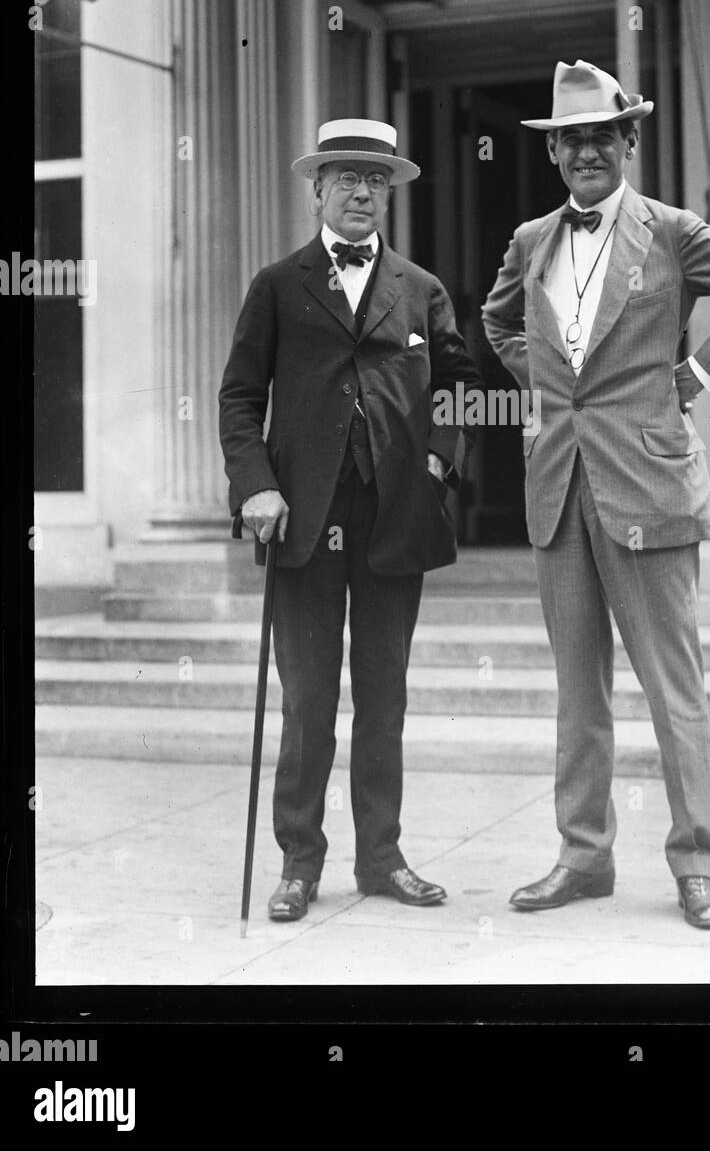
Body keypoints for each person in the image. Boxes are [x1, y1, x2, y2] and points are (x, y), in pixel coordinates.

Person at [481, 62, 710, 927]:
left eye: (602, 135)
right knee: (577, 691)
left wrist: (695, 376)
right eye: (571, 140)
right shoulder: (530, 239)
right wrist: (547, 384)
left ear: (628, 141)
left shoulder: (670, 231)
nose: (586, 151)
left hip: (650, 483)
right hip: (558, 485)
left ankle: (695, 864)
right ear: (552, 152)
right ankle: (582, 857)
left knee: (673, 688)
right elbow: (498, 319)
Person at [219, 118, 482, 921]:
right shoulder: (277, 284)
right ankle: (299, 862)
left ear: (389, 192)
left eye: (375, 179)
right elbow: (239, 397)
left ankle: (381, 859)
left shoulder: (421, 288)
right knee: (307, 702)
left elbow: (460, 385)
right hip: (301, 517)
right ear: (317, 191)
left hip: (394, 515)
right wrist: (255, 487)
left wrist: (438, 463)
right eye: (345, 177)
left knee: (383, 697)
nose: (361, 191)